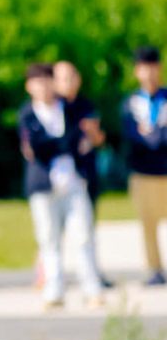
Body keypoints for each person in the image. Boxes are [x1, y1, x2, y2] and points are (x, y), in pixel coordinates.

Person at [17, 64, 102, 309]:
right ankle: (54, 290)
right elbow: (36, 148)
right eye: (38, 82)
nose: (43, 87)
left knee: (83, 235)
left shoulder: (71, 108)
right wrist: (63, 143)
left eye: (47, 81)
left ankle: (91, 288)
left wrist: (59, 143)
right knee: (48, 238)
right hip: (43, 186)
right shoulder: (27, 114)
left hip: (73, 182)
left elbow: (81, 138)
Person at [53, 60, 111, 288]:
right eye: (62, 78)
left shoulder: (85, 106)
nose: (67, 83)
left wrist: (93, 132)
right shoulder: (53, 108)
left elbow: (98, 141)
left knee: (86, 227)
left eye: (71, 77)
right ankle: (49, 274)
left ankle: (91, 273)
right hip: (59, 178)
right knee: (53, 229)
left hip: (84, 174)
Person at [123, 46, 167, 286]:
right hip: (142, 170)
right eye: (143, 68)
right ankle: (155, 268)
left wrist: (153, 134)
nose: (148, 73)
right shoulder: (131, 103)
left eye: (152, 67)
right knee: (147, 223)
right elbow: (131, 134)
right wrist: (154, 135)